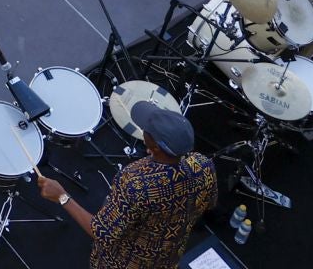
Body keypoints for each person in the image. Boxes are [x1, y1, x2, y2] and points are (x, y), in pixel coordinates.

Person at [35, 101, 216, 267]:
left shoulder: (135, 183)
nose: (143, 128)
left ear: (154, 146)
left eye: (147, 129)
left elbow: (102, 233)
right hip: (169, 254)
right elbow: (208, 204)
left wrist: (62, 196)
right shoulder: (202, 164)